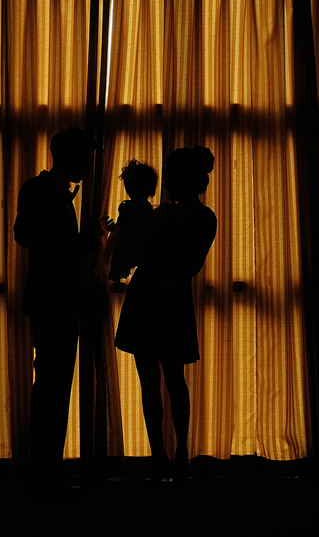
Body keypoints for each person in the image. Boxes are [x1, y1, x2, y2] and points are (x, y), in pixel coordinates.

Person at [113, 146, 217, 481]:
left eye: (171, 176)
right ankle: (173, 455)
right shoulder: (199, 217)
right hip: (169, 299)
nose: (167, 184)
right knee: (170, 379)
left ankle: (165, 455)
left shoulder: (170, 216)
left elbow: (184, 263)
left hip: (153, 297)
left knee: (159, 380)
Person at [13, 127, 98, 492]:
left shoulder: (54, 192)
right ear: (68, 157)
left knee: (54, 385)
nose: (88, 167)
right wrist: (83, 242)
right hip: (53, 301)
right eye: (85, 159)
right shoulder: (41, 190)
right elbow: (25, 235)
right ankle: (44, 469)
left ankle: (49, 466)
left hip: (55, 300)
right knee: (52, 385)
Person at [103, 159, 159, 284]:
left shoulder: (128, 207)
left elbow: (124, 228)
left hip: (128, 247)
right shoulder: (147, 208)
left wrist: (115, 229)